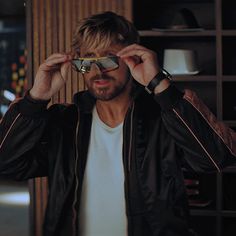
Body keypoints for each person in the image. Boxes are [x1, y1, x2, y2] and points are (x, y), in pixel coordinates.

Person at [0, 11, 236, 236]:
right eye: (87, 61)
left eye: (108, 59)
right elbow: (7, 164)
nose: (97, 71)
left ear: (133, 58)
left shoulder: (165, 119)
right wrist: (36, 99)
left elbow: (216, 157)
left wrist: (158, 84)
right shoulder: (65, 123)